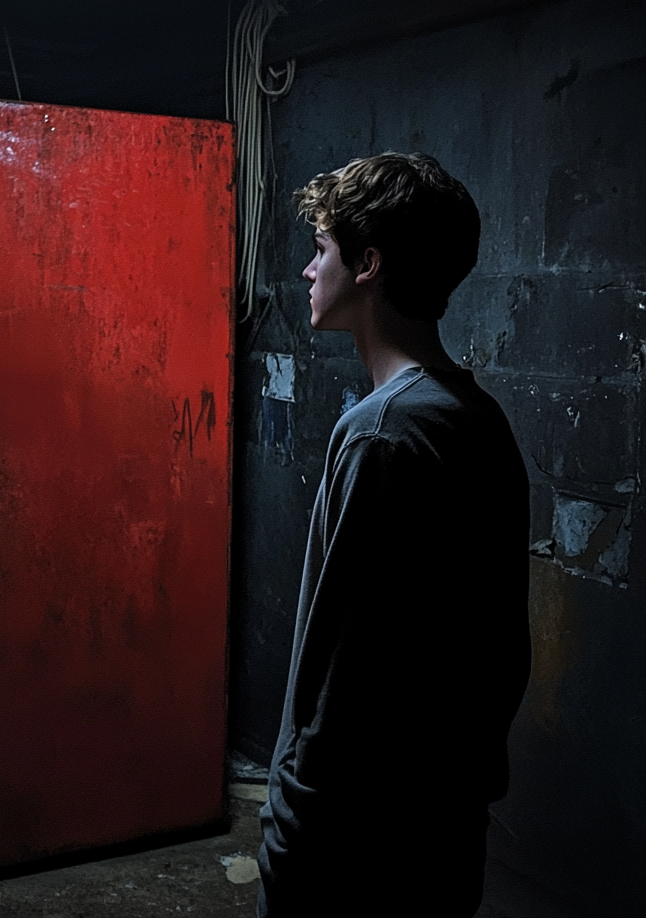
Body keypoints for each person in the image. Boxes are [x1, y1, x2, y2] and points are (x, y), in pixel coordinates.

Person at [257, 152, 531, 917]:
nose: (310, 271)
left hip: (352, 856)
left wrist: (290, 831)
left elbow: (344, 679)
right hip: (438, 838)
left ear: (369, 263)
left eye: (322, 249)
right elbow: (503, 657)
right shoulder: (476, 418)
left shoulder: (384, 434)